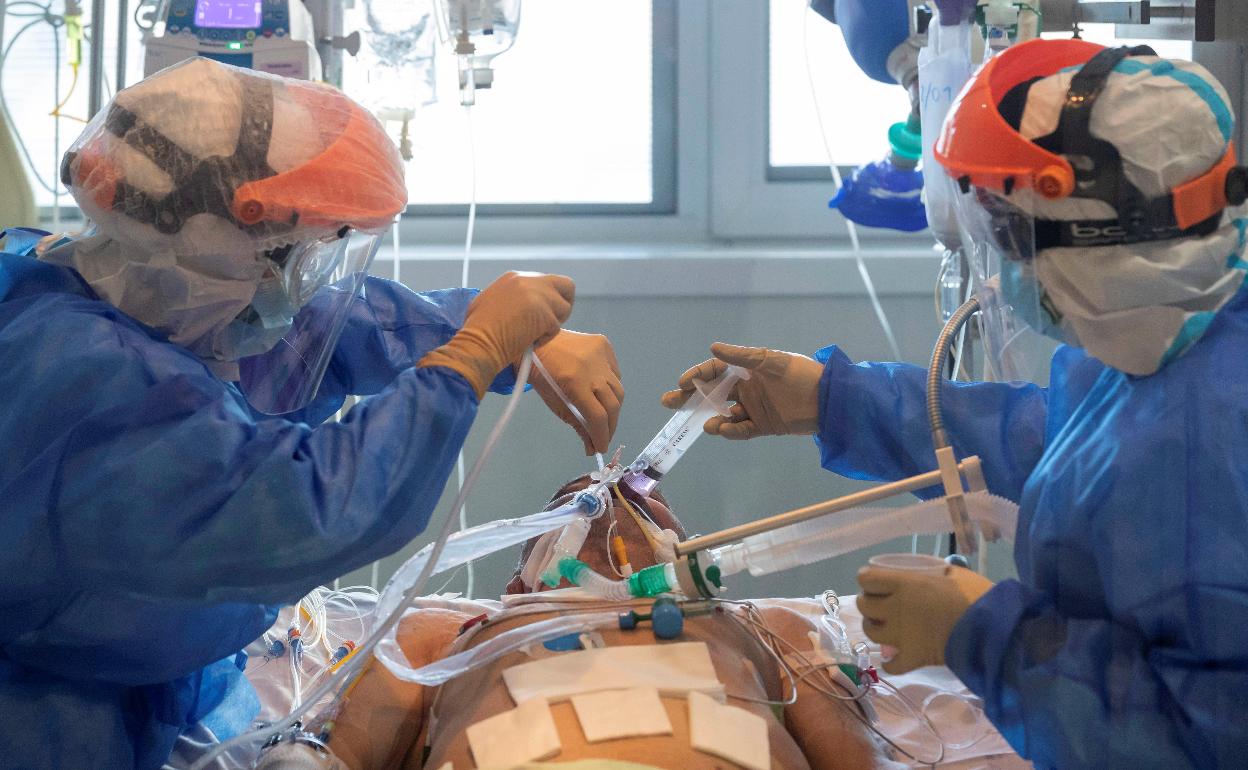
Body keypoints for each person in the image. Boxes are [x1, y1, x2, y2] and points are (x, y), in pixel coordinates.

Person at [0, 59, 622, 770]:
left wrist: (491, 333)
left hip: (128, 684)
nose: (293, 283)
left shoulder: (122, 287)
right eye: (290, 255)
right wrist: (472, 358)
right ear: (217, 240)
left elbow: (317, 330)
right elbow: (304, 509)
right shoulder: (86, 379)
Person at [664, 40, 1248, 768]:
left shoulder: (1216, 431)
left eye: (1009, 233)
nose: (1004, 267)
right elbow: (1055, 449)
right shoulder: (1169, 341)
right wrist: (835, 399)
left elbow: (1204, 737)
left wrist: (985, 632)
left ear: (1107, 235)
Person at [280, 475, 922, 770]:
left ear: (688, 560)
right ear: (518, 587)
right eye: (571, 503)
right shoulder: (443, 635)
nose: (609, 496)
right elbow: (334, 755)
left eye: (646, 500)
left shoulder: (765, 624)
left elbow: (856, 760)